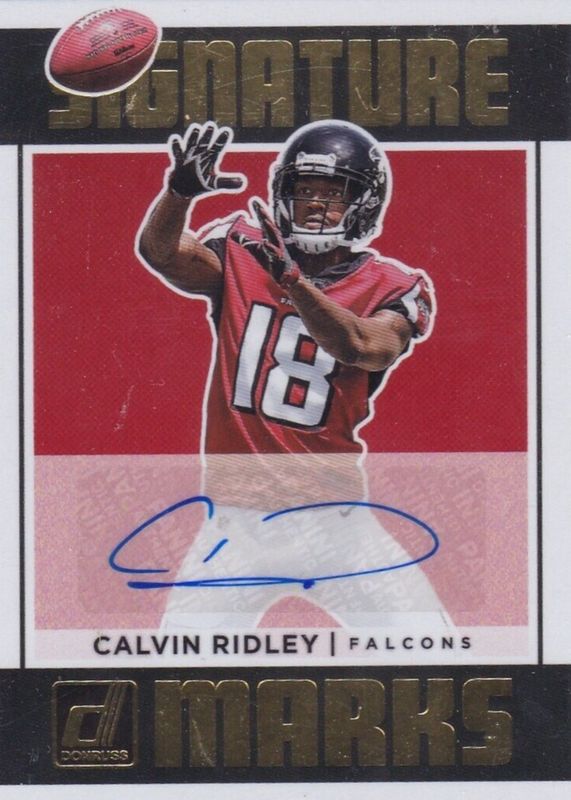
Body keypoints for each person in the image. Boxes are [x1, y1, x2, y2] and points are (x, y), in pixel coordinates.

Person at [136, 119, 448, 630]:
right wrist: (178, 193)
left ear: (365, 202)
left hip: (336, 524)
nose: (316, 204)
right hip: (236, 525)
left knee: (431, 648)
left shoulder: (395, 284)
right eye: (305, 190)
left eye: (334, 192)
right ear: (282, 193)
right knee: (180, 664)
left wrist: (294, 283)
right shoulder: (244, 244)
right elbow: (163, 254)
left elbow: (362, 346)